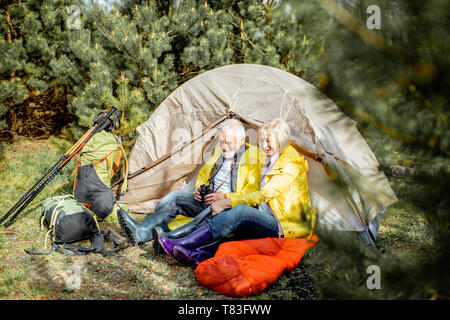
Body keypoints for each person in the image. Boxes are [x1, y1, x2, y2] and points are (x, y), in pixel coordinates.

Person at [156, 119, 317, 267]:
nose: (264, 145)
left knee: (239, 211)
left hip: (283, 225)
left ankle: (181, 243)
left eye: (268, 140)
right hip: (264, 215)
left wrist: (228, 200)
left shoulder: (291, 165)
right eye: (261, 140)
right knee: (230, 219)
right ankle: (197, 254)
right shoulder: (270, 159)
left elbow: (264, 195)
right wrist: (224, 198)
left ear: (281, 140)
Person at [117, 118, 262, 245]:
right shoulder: (220, 152)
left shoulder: (254, 157)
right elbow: (205, 174)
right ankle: (142, 230)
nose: (224, 147)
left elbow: (252, 195)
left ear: (242, 140)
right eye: (222, 142)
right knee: (174, 198)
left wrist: (226, 198)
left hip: (226, 207)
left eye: (228, 143)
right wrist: (199, 189)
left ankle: (164, 238)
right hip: (207, 200)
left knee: (209, 213)